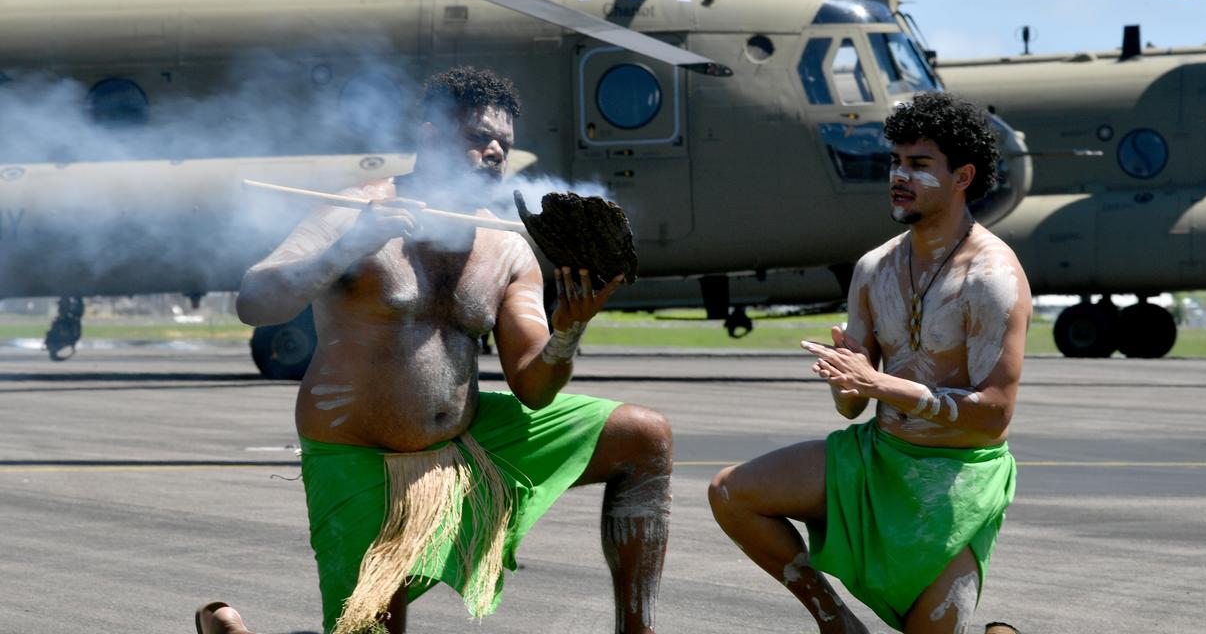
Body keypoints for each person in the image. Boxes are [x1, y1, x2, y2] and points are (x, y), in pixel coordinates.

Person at [198, 66, 672, 634]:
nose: (495, 151)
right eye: (477, 138)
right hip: (359, 459)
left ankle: (638, 630)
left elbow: (534, 387)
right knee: (368, 631)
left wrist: (568, 332)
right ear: (429, 137)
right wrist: (347, 248)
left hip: (468, 446)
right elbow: (256, 300)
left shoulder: (509, 247)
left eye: (505, 144)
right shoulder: (356, 208)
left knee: (643, 436)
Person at [708, 91, 1029, 634]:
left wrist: (877, 383)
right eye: (896, 162)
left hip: (954, 483)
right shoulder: (873, 268)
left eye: (919, 165)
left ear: (963, 176)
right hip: (875, 458)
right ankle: (836, 623)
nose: (899, 176)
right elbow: (851, 407)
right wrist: (848, 375)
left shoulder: (992, 277)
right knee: (731, 492)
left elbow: (995, 415)